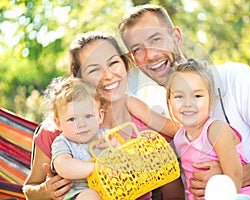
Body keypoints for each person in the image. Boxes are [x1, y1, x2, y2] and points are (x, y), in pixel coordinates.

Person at [118, 4, 250, 199]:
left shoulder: (234, 77)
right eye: (138, 49)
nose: (150, 55)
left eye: (156, 39)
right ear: (133, 59)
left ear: (176, 37)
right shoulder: (157, 111)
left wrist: (225, 179)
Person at [23, 31, 184, 199]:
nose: (107, 75)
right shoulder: (61, 128)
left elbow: (184, 135)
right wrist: (44, 191)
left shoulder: (138, 112)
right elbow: (30, 189)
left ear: (125, 63)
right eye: (93, 70)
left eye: (113, 63)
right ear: (79, 79)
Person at [166, 58, 250, 199]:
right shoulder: (179, 138)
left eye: (197, 96)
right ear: (169, 101)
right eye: (179, 96)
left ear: (211, 100)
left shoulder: (216, 130)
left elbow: (236, 176)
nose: (188, 103)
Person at [43, 76, 106, 199]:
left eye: (88, 116)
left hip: (111, 188)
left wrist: (116, 147)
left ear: (100, 116)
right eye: (72, 119)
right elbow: (63, 166)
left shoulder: (104, 135)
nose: (81, 124)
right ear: (58, 123)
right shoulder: (63, 143)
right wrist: (94, 168)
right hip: (79, 192)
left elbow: (123, 159)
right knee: (91, 196)